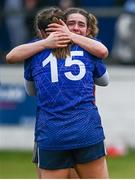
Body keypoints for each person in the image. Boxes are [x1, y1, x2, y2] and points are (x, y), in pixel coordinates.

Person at [6, 7, 109, 179]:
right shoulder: (87, 50)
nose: (75, 28)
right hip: (86, 129)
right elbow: (104, 79)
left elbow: (30, 90)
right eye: (71, 24)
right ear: (63, 25)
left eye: (80, 25)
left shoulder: (33, 52)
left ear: (40, 31)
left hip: (51, 133)